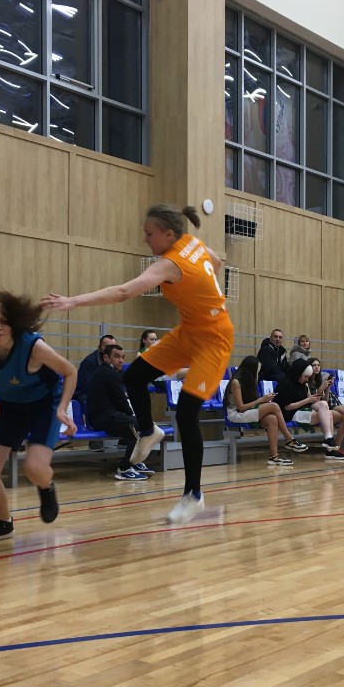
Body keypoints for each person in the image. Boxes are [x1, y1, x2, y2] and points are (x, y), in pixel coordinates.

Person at [42, 203, 234, 524]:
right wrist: (201, 294)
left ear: (168, 234)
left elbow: (122, 292)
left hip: (214, 339)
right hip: (189, 331)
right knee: (134, 377)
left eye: (149, 233)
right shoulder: (194, 244)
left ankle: (193, 495)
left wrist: (73, 301)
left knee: (186, 413)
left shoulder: (171, 263)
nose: (145, 239)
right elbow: (215, 262)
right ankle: (148, 431)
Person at [0, 291, 77, 544]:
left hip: (44, 405)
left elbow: (70, 371)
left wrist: (62, 408)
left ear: (13, 321)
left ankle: (46, 486)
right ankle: (4, 523)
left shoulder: (33, 346)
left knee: (34, 469)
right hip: (11, 407)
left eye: (3, 320)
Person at [86, 343, 153, 480]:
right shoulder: (108, 373)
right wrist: (132, 415)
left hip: (107, 415)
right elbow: (121, 401)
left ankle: (134, 462)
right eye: (116, 357)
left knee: (137, 427)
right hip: (102, 418)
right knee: (138, 426)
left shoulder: (109, 372)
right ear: (106, 358)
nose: (121, 360)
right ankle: (124, 468)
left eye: (123, 357)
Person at [224, 356, 308, 466]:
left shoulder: (250, 380)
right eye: (257, 370)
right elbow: (241, 407)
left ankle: (274, 456)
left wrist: (264, 400)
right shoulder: (236, 382)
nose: (258, 373)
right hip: (236, 414)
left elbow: (252, 402)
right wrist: (262, 400)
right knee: (274, 406)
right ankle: (289, 439)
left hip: (247, 412)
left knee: (272, 419)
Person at [273, 358, 344, 459]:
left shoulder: (303, 383)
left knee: (324, 405)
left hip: (302, 409)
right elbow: (287, 407)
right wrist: (308, 400)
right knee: (328, 415)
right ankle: (330, 449)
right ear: (298, 373)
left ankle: (328, 439)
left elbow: (309, 400)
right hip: (290, 414)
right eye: (305, 377)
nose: (306, 380)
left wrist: (318, 395)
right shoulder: (285, 384)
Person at [308, 358, 344, 453]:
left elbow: (325, 401)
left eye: (318, 365)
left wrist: (328, 388)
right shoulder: (306, 381)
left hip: (325, 406)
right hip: (316, 409)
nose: (317, 367)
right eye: (314, 365)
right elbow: (311, 401)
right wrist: (320, 389)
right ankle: (335, 448)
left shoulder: (319, 380)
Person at [76, 333, 119, 405]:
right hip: (85, 393)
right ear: (99, 348)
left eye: (113, 347)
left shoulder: (116, 361)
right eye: (107, 347)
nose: (110, 350)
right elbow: (89, 386)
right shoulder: (89, 362)